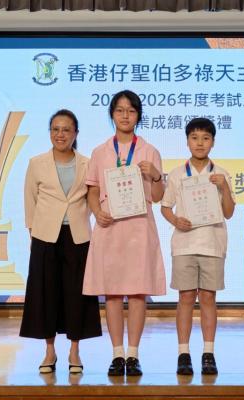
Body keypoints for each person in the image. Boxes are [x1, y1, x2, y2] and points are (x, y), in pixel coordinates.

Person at [82, 90, 166, 376]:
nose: (125, 115)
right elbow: (93, 190)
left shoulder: (149, 151)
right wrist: (97, 212)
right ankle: (117, 354)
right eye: (120, 110)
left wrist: (156, 175)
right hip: (110, 227)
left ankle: (133, 354)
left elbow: (158, 195)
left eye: (131, 110)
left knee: (138, 293)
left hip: (139, 228)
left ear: (138, 115)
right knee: (113, 293)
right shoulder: (100, 152)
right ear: (112, 115)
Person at [20, 109, 102, 374]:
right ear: (50, 133)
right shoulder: (36, 163)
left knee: (77, 294)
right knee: (46, 293)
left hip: (77, 236)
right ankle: (49, 351)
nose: (60, 134)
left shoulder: (88, 163)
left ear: (76, 133)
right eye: (55, 129)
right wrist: (33, 233)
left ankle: (75, 352)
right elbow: (30, 200)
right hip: (45, 236)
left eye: (66, 129)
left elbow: (92, 198)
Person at [161, 117, 235, 376]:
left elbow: (229, 213)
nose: (200, 143)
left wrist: (224, 188)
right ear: (187, 141)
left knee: (208, 299)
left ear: (213, 142)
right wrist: (175, 220)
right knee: (185, 298)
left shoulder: (221, 174)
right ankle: (183, 353)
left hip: (213, 244)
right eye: (194, 138)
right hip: (184, 245)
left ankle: (208, 352)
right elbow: (165, 207)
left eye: (205, 138)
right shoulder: (177, 174)